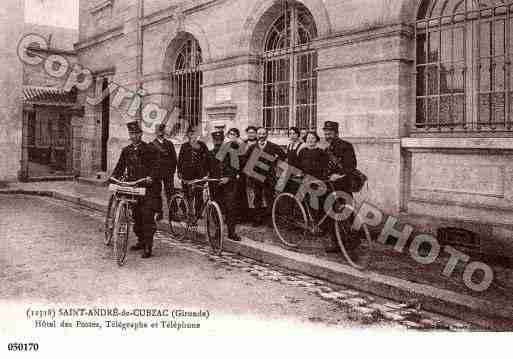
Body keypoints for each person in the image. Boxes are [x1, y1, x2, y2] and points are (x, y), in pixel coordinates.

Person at [110, 121, 161, 258]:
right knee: (136, 216)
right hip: (133, 187)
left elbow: (157, 166)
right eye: (131, 134)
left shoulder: (149, 149)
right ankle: (141, 240)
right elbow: (119, 167)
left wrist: (151, 177)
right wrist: (113, 177)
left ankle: (148, 246)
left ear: (141, 134)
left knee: (146, 216)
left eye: (136, 134)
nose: (133, 137)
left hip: (147, 188)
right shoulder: (126, 151)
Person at [322, 120, 357, 252]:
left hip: (343, 185)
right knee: (332, 214)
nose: (327, 136)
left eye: (330, 133)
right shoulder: (328, 148)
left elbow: (351, 165)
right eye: (325, 133)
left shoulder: (346, 146)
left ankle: (351, 242)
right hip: (331, 186)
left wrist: (339, 175)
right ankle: (336, 243)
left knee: (347, 214)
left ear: (336, 133)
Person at [245, 127, 285, 226]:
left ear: (267, 135)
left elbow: (283, 156)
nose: (261, 136)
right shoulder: (252, 147)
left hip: (269, 177)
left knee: (269, 198)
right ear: (257, 135)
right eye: (259, 134)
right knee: (257, 197)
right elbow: (246, 159)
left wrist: (274, 162)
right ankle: (257, 219)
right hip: (256, 176)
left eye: (263, 134)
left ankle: (270, 220)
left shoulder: (273, 146)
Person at [208, 130, 241, 241]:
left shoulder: (232, 152)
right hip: (214, 185)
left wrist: (228, 178)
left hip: (229, 185)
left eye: (220, 141)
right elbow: (204, 168)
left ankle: (232, 232)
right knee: (216, 208)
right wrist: (204, 176)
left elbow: (236, 168)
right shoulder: (210, 153)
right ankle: (218, 230)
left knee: (230, 208)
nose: (217, 143)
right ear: (213, 141)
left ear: (223, 141)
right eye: (215, 141)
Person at [177, 125, 210, 222]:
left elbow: (208, 158)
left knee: (198, 194)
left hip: (199, 174)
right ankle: (185, 211)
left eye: (194, 133)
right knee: (186, 193)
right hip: (186, 174)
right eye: (190, 133)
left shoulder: (202, 145)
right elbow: (180, 160)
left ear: (197, 135)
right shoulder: (184, 146)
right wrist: (179, 171)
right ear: (187, 135)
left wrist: (207, 172)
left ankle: (198, 213)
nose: (192, 135)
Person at [151, 123, 177, 221]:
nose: (160, 133)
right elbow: (150, 161)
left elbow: (174, 158)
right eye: (158, 131)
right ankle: (159, 212)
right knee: (156, 193)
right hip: (156, 173)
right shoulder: (152, 145)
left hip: (168, 173)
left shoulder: (169, 144)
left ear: (164, 132)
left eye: (162, 131)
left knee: (171, 192)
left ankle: (173, 213)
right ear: (155, 132)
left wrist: (172, 171)